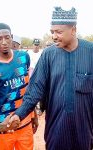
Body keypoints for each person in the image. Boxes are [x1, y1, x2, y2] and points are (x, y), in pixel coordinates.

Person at [8, 7, 93, 150]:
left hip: (85, 130)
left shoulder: (90, 52)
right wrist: (19, 114)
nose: (53, 36)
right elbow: (35, 89)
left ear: (73, 30)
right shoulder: (48, 54)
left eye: (59, 32)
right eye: (52, 32)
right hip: (56, 129)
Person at [0, 23, 38, 150]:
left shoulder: (23, 57)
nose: (4, 42)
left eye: (7, 37)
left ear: (12, 37)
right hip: (3, 126)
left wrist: (34, 114)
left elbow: (27, 90)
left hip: (26, 122)